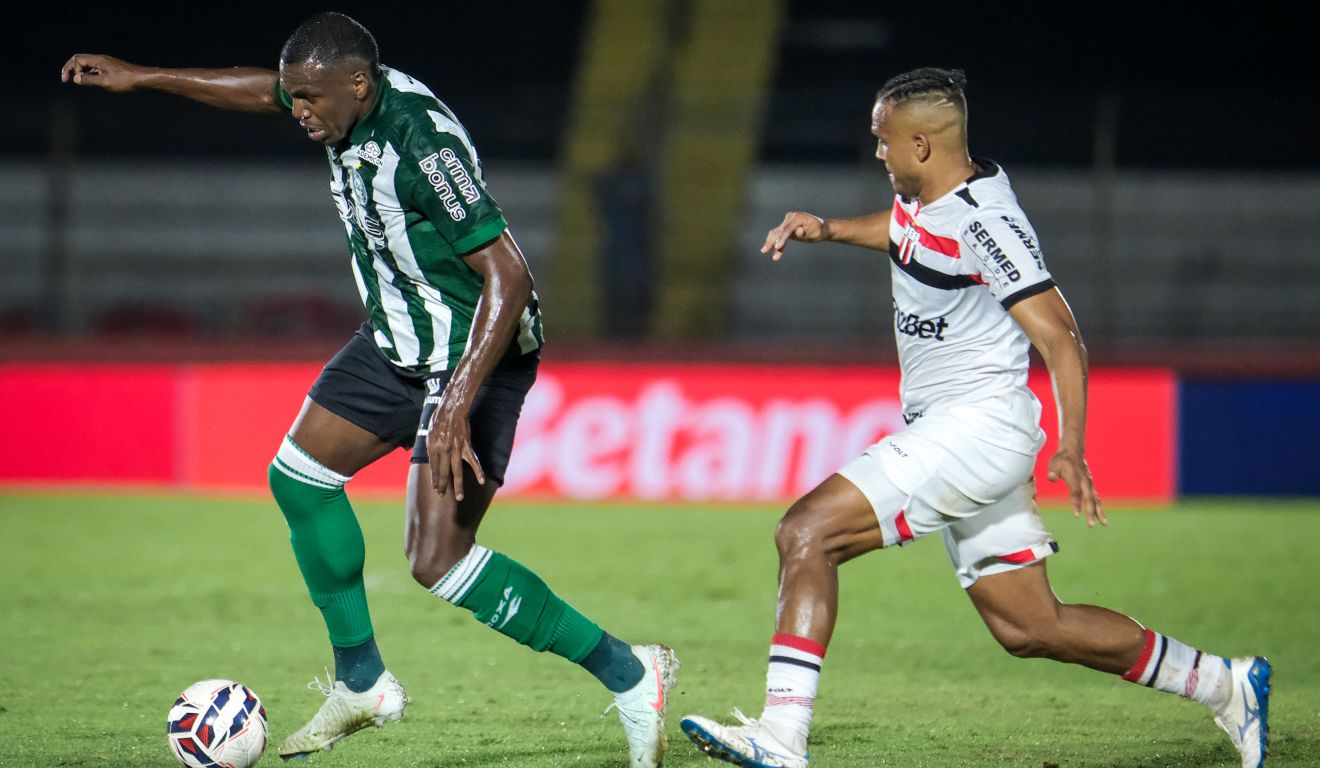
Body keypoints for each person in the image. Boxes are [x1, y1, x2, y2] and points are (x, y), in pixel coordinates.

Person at [61, 12, 677, 767]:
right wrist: (145, 75)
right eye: (297, 99)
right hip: (395, 339)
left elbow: (510, 277)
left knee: (437, 560)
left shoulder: (422, 142)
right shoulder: (333, 100)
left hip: (472, 352)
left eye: (312, 100)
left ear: (358, 83)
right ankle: (362, 682)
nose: (302, 113)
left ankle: (631, 672)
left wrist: (453, 406)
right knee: (299, 478)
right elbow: (265, 93)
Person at [678, 68, 1270, 768]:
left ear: (921, 145)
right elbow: (907, 235)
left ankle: (781, 735)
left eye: (883, 141)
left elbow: (1060, 335)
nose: (877, 153)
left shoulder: (986, 221)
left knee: (807, 532)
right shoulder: (932, 199)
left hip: (976, 428)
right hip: (966, 429)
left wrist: (1073, 446)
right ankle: (1224, 684)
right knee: (1029, 625)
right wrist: (829, 229)